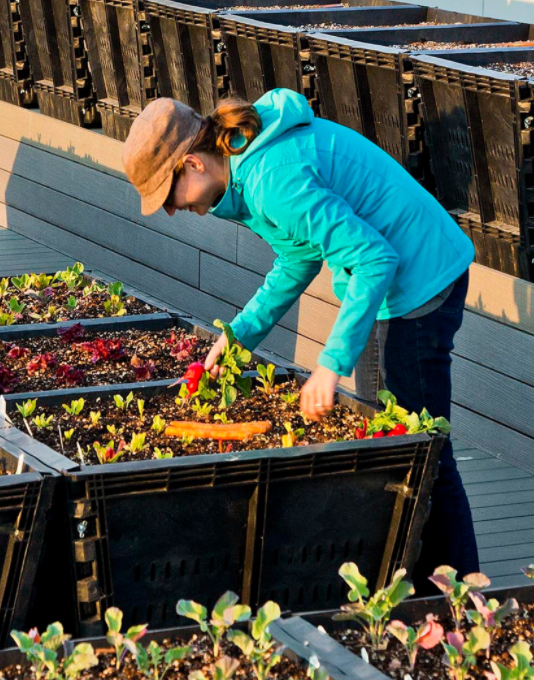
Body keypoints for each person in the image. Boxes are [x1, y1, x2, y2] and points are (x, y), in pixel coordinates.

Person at [123, 88, 479, 580]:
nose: (171, 209)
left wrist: (331, 364)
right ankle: (417, 584)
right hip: (388, 285)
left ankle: (462, 593)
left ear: (194, 164)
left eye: (168, 195)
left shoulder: (272, 179)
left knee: (424, 447)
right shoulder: (249, 170)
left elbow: (376, 257)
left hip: (421, 283)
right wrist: (240, 335)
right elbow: (296, 257)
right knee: (393, 440)